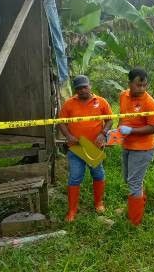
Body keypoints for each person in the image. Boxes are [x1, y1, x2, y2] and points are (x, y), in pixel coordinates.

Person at [58, 75, 113, 222]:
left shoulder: (101, 102)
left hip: (93, 146)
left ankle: (98, 203)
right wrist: (68, 136)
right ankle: (72, 210)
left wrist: (103, 133)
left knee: (98, 174)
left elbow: (109, 119)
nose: (82, 90)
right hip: (76, 147)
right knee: (75, 177)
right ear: (76, 90)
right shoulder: (69, 104)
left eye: (85, 87)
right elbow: (61, 122)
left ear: (90, 86)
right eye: (79, 88)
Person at [118, 68, 154, 226]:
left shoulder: (149, 102)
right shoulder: (123, 96)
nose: (142, 88)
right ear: (129, 83)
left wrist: (132, 131)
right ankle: (136, 206)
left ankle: (135, 222)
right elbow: (122, 118)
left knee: (134, 182)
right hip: (127, 145)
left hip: (143, 148)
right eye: (138, 85)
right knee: (129, 179)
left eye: (144, 85)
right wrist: (117, 132)